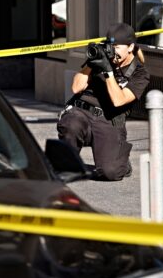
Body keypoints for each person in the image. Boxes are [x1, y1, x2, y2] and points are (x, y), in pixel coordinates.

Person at [57, 23, 149, 181]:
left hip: (109, 118)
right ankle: (68, 161)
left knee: (110, 172)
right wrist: (92, 64)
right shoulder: (101, 58)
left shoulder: (140, 73)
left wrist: (108, 72)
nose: (112, 51)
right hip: (82, 112)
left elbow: (119, 101)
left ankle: (121, 160)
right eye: (109, 46)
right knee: (71, 124)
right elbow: (76, 88)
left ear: (130, 47)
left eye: (116, 47)